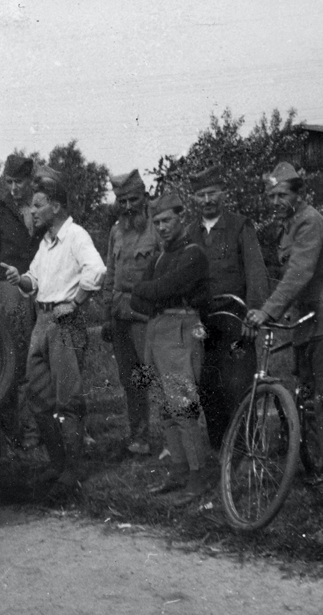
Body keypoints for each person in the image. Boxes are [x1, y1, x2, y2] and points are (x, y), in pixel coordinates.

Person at [246, 162, 323, 484]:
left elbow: (300, 271)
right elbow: (291, 278)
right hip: (309, 321)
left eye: (282, 194)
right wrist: (282, 310)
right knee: (312, 398)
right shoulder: (291, 225)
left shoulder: (309, 221)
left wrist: (268, 310)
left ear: (299, 194)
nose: (276, 201)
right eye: (271, 196)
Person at [1, 166, 106, 500]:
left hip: (64, 322)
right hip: (42, 321)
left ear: (56, 206)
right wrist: (21, 279)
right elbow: (35, 280)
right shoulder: (45, 242)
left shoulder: (76, 236)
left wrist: (75, 302)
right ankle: (57, 463)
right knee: (39, 396)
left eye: (38, 204)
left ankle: (73, 470)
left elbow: (97, 270)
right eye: (33, 205)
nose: (32, 210)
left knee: (68, 400)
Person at [130, 193, 211, 502]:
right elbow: (139, 299)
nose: (162, 227)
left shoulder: (194, 254)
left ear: (181, 218)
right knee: (166, 407)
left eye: (167, 220)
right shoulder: (161, 258)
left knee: (183, 405)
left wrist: (148, 290)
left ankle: (197, 475)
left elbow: (166, 287)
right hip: (158, 328)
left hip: (181, 328)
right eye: (157, 222)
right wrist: (151, 292)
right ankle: (178, 470)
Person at [185, 165, 269, 451]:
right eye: (201, 195)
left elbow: (256, 273)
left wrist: (253, 314)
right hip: (204, 325)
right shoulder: (190, 233)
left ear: (224, 193)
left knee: (239, 388)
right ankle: (222, 452)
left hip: (236, 322)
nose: (207, 200)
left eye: (212, 193)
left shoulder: (239, 226)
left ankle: (249, 451)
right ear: (194, 198)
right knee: (208, 387)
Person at [0, 154, 44, 446]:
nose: (14, 188)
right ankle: (27, 428)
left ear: (30, 181)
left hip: (43, 282)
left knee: (46, 349)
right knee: (19, 354)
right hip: (11, 287)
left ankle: (53, 425)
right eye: (9, 182)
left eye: (19, 182)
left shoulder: (41, 205)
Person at [101, 169, 160, 456]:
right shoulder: (115, 231)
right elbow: (110, 274)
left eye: (132, 199)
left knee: (157, 376)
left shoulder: (157, 228)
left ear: (144, 197)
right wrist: (107, 314)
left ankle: (176, 442)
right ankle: (139, 436)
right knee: (131, 380)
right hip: (120, 314)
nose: (127, 207)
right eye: (121, 201)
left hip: (147, 315)